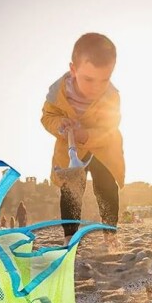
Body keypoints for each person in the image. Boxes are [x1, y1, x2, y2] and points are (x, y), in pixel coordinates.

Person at [41, 32, 125, 247]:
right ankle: (70, 238)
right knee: (71, 190)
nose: (96, 87)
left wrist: (86, 135)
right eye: (88, 79)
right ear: (73, 70)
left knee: (106, 187)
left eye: (104, 79)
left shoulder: (111, 96)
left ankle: (110, 234)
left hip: (104, 149)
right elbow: (47, 117)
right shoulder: (57, 94)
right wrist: (60, 125)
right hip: (71, 151)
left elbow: (110, 125)